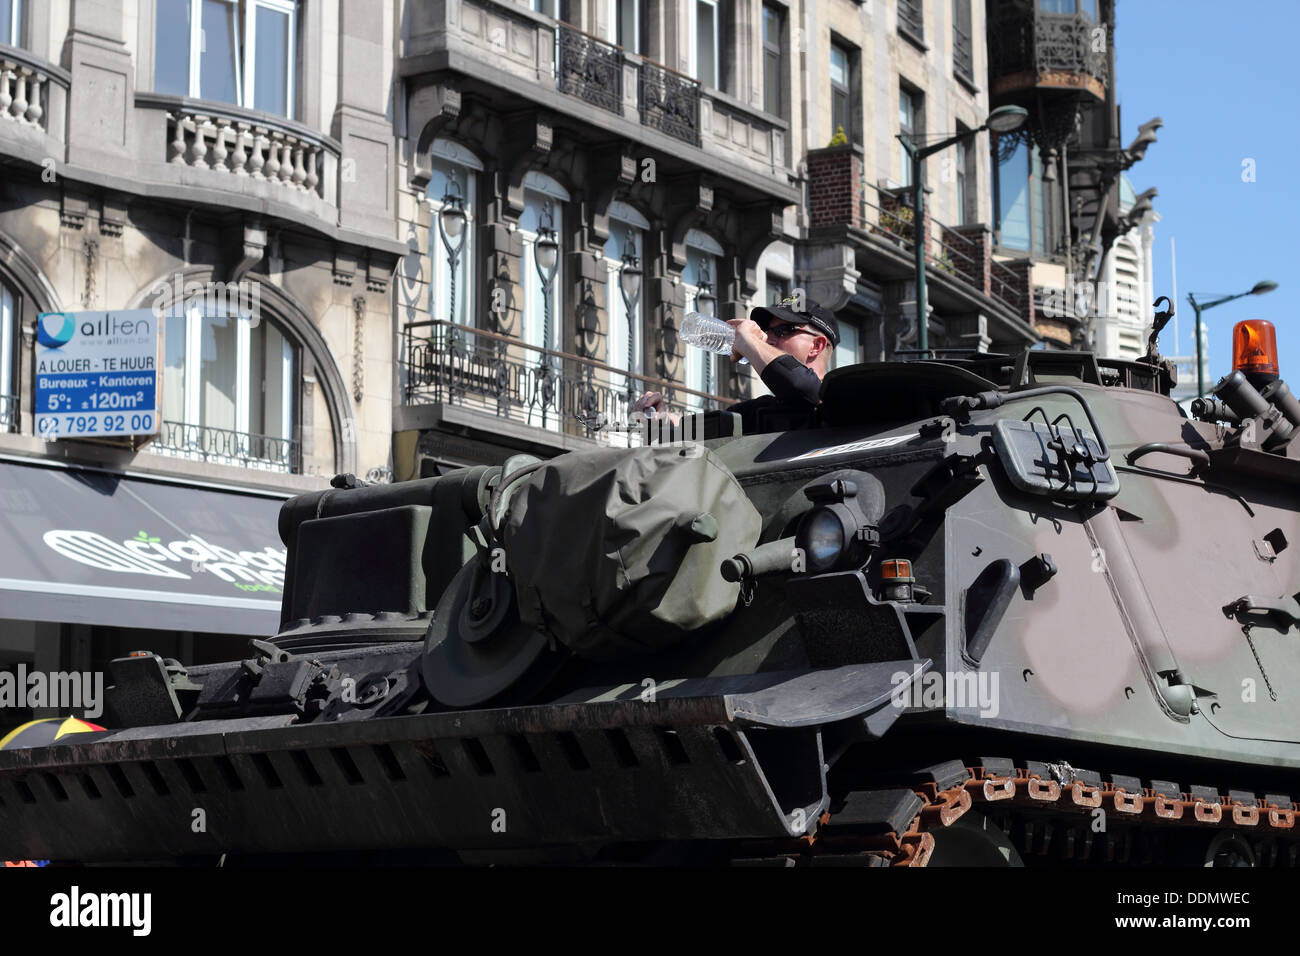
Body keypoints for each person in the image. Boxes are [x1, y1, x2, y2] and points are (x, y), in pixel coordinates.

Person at [634, 298, 840, 434]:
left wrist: (748, 342)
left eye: (783, 331)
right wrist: (659, 420)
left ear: (816, 345)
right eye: (767, 331)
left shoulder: (838, 400)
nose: (768, 338)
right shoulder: (758, 411)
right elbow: (695, 429)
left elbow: (800, 386)